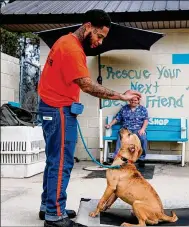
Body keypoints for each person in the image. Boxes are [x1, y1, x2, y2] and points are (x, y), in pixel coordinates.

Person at [38, 9, 141, 227]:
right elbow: (87, 85)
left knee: (53, 160)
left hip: (52, 107)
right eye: (99, 36)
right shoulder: (72, 49)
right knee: (61, 162)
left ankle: (48, 205)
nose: (99, 42)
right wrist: (121, 96)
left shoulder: (65, 41)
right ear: (88, 26)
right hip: (58, 109)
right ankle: (54, 215)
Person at [105, 96, 148, 165]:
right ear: (129, 100)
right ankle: (117, 158)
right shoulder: (124, 108)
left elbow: (145, 120)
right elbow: (117, 118)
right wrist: (110, 125)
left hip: (138, 129)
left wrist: (142, 129)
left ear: (138, 101)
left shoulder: (142, 109)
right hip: (126, 129)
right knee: (120, 138)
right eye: (131, 100)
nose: (133, 101)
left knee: (143, 138)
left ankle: (141, 159)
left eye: (135, 100)